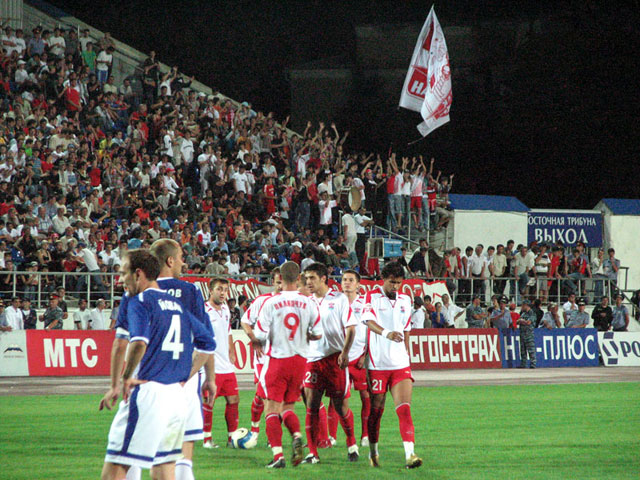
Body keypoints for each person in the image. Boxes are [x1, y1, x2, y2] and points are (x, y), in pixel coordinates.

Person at [99, 249, 215, 480]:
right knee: (164, 470)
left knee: (116, 469)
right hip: (177, 397)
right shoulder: (176, 304)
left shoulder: (139, 301)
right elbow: (208, 344)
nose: (120, 279)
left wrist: (124, 379)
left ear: (138, 274)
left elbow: (138, 342)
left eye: (124, 273)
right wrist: (185, 375)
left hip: (148, 393)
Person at [149, 239, 216, 480]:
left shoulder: (142, 291)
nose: (183, 263)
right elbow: (206, 341)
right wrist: (209, 378)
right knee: (184, 453)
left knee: (147, 453)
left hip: (150, 379)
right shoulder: (190, 291)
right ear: (169, 261)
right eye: (180, 258)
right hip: (184, 379)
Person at [255, 261, 322, 468]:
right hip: (299, 361)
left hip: (278, 359)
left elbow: (259, 334)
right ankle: (297, 435)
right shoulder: (309, 303)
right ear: (299, 278)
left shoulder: (271, 302)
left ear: (280, 279)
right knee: (288, 407)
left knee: (271, 408)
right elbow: (318, 333)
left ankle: (278, 456)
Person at [361, 261, 422, 469]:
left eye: (398, 283)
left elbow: (406, 329)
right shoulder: (371, 297)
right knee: (376, 411)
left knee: (404, 409)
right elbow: (368, 321)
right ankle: (373, 451)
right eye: (391, 282)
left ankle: (410, 455)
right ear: (383, 279)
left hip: (400, 364)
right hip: (378, 364)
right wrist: (387, 333)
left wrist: (407, 354)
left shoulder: (405, 300)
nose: (395, 286)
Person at [302, 262, 359, 464]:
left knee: (340, 407)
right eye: (306, 278)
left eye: (312, 278)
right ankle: (313, 452)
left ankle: (351, 443)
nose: (308, 282)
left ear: (323, 279)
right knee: (312, 406)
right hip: (312, 360)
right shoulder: (306, 302)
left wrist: (345, 352)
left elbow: (351, 328)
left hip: (335, 359)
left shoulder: (339, 299)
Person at [240, 268, 283, 445]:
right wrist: (254, 339)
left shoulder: (294, 302)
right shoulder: (262, 300)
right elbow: (245, 321)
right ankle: (260, 432)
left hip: (284, 357)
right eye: (278, 282)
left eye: (283, 282)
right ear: (273, 282)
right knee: (267, 397)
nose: (281, 286)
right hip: (263, 357)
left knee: (275, 398)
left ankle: (265, 434)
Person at [202, 278, 241, 448]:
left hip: (226, 365)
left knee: (234, 399)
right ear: (211, 291)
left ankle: (232, 438)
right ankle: (207, 439)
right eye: (219, 289)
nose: (223, 293)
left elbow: (228, 331)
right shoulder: (203, 310)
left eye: (225, 289)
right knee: (209, 401)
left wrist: (231, 350)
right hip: (211, 365)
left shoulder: (225, 309)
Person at [341, 269, 371, 447]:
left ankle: (365, 435)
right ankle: (332, 437)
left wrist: (365, 355)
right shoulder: (336, 303)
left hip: (359, 357)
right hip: (341, 358)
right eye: (344, 279)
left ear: (358, 284)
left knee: (365, 396)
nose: (347, 282)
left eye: (351, 280)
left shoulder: (364, 304)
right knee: (338, 397)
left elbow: (370, 330)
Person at [517, 300, 536, 369]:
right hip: (522, 334)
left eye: (523, 305)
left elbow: (528, 322)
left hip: (529, 334)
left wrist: (522, 321)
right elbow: (517, 321)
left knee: (531, 350)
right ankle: (523, 364)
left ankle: (533, 363)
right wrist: (521, 321)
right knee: (523, 350)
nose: (522, 307)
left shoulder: (532, 313)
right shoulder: (523, 314)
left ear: (526, 305)